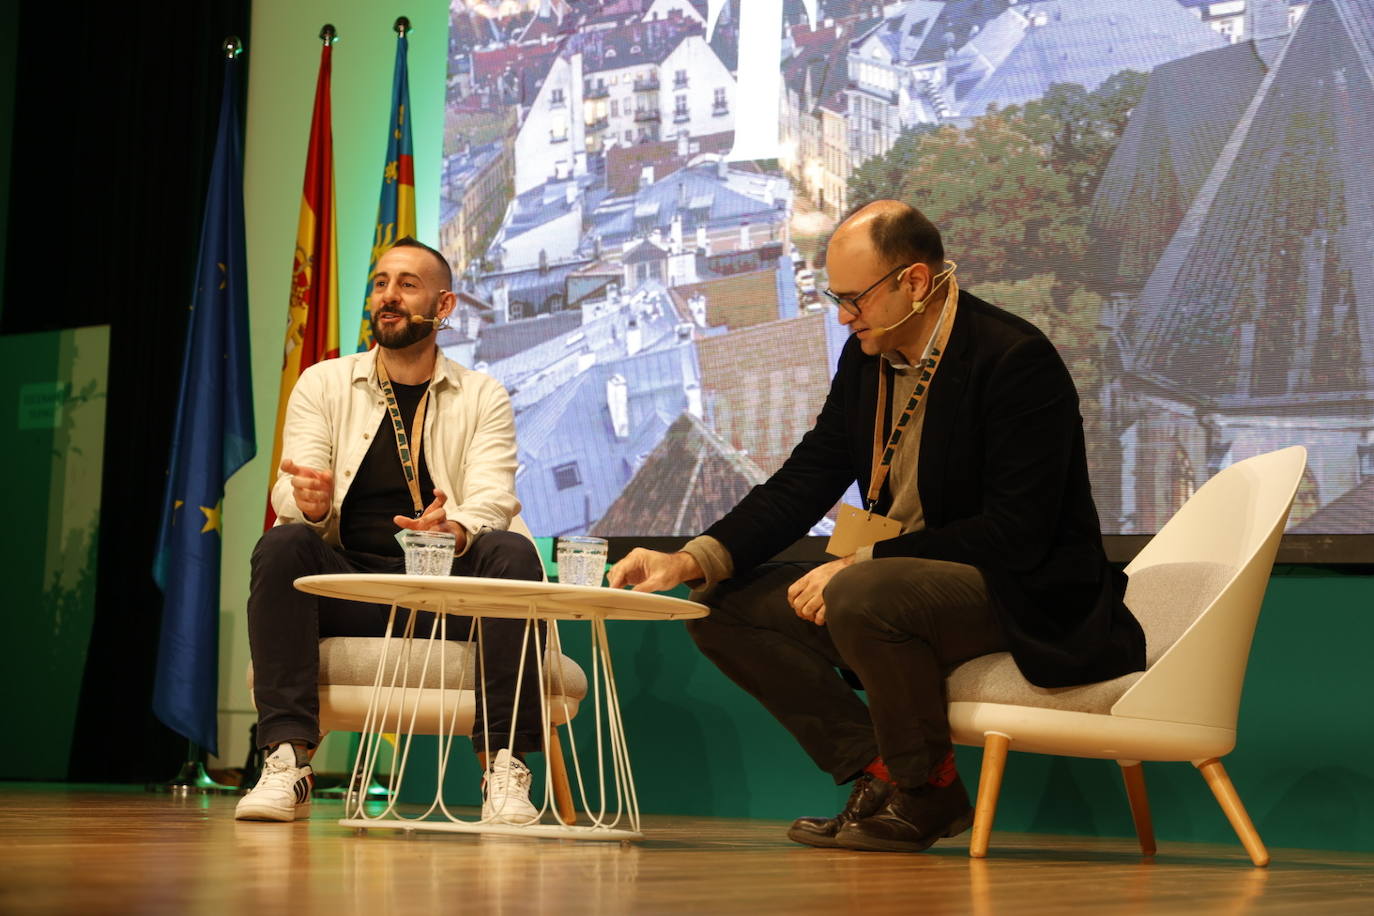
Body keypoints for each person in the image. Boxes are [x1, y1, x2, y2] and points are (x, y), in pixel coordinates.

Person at [608, 201, 1145, 853]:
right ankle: (881, 774)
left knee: (861, 593)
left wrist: (865, 563)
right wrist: (691, 559)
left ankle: (930, 791)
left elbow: (1016, 531)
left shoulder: (1014, 359)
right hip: (894, 586)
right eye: (837, 298)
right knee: (721, 606)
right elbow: (806, 479)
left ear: (915, 282)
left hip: (1020, 591)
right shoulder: (867, 359)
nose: (843, 316)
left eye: (855, 298)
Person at [237, 237, 546, 825]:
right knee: (282, 544)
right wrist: (306, 499)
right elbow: (290, 484)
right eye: (381, 283)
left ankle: (503, 769)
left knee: (510, 551)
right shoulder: (323, 383)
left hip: (446, 591)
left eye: (407, 284)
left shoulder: (483, 394)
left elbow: (493, 497)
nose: (388, 296)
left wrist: (454, 527)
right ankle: (286, 760)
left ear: (444, 305)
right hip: (352, 588)